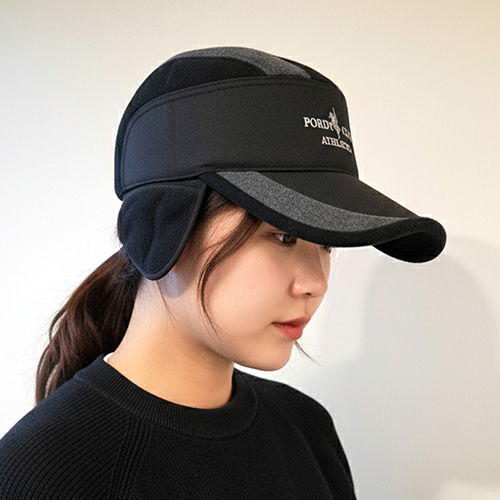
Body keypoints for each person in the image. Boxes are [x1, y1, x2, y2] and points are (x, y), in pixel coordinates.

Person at [0, 47, 446, 499]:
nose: (316, 283)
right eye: (284, 236)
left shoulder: (307, 430)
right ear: (164, 226)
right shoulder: (44, 476)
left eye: (326, 243)